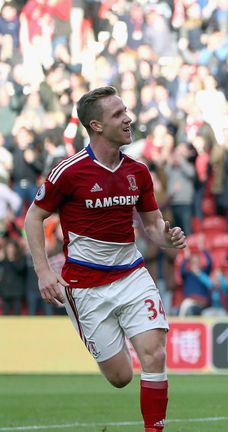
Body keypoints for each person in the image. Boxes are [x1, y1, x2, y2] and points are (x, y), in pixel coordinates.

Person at [24, 86, 186, 432]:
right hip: (85, 287)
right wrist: (43, 271)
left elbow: (152, 224)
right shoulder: (69, 172)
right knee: (120, 377)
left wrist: (166, 238)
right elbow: (33, 217)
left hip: (131, 274)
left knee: (155, 353)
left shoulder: (138, 172)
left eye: (126, 110)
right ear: (96, 126)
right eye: (118, 114)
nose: (128, 118)